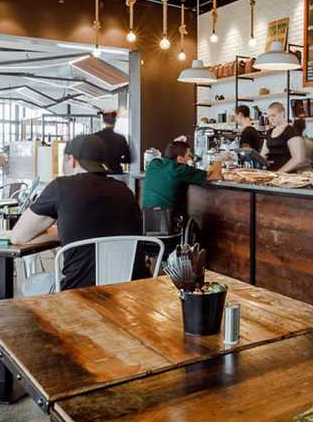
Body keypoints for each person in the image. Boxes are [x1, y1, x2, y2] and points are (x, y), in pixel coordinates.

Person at [12, 134, 145, 292]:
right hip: (129, 288)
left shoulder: (61, 187)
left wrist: (58, 233)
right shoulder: (125, 191)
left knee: (31, 284)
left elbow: (17, 237)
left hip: (78, 290)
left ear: (72, 159)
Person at [142, 140, 223, 218]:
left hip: (147, 217)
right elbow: (215, 175)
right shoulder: (180, 169)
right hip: (169, 219)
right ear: (180, 158)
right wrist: (219, 158)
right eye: (188, 156)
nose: (189, 159)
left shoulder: (154, 163)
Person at [260, 102, 307, 173]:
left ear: (282, 113)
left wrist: (279, 173)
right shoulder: (269, 132)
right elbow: (263, 155)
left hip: (287, 176)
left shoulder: (291, 131)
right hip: (271, 174)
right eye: (269, 116)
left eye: (273, 116)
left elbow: (298, 159)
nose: (271, 119)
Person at [94, 110, 130, 174]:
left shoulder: (95, 136)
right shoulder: (121, 138)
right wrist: (117, 160)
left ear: (103, 122)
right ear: (115, 122)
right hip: (116, 172)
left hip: (99, 173)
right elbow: (128, 159)